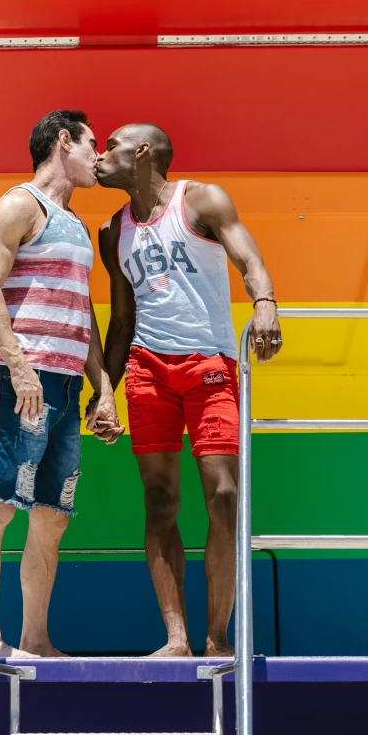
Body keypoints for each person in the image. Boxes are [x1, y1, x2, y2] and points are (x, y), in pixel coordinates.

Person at [96, 123, 282, 657]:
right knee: (159, 502)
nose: (102, 155)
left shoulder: (201, 199)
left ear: (144, 152)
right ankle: (177, 637)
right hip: (147, 370)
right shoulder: (112, 229)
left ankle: (218, 637)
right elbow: (122, 316)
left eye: (112, 145)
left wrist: (265, 302)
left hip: (210, 364)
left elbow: (250, 258)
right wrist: (105, 390)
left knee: (224, 496)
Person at [0, 110, 123, 658]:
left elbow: (84, 313)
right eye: (91, 144)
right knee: (0, 505)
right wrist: (17, 365)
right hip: (22, 383)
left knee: (53, 516)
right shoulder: (17, 205)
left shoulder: (76, 223)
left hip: (64, 387)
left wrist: (103, 387)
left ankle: (36, 640)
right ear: (63, 142)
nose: (98, 157)